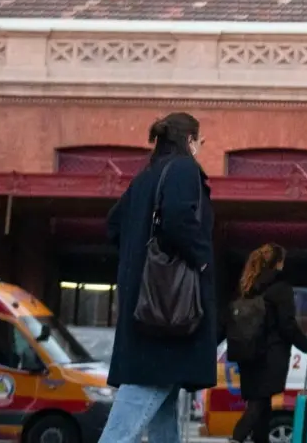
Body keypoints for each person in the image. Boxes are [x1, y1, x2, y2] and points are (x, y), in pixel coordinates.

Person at [101, 112, 218, 443]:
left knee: (162, 405)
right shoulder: (183, 169)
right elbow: (178, 219)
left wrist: (138, 260)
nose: (202, 146)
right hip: (167, 311)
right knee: (145, 391)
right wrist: (203, 261)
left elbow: (113, 225)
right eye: (200, 140)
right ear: (189, 140)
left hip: (145, 308)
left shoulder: (144, 178)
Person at [227, 244, 307, 443]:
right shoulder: (280, 289)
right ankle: (236, 438)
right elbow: (288, 325)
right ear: (278, 263)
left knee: (263, 408)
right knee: (258, 406)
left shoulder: (247, 286)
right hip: (270, 356)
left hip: (247, 354)